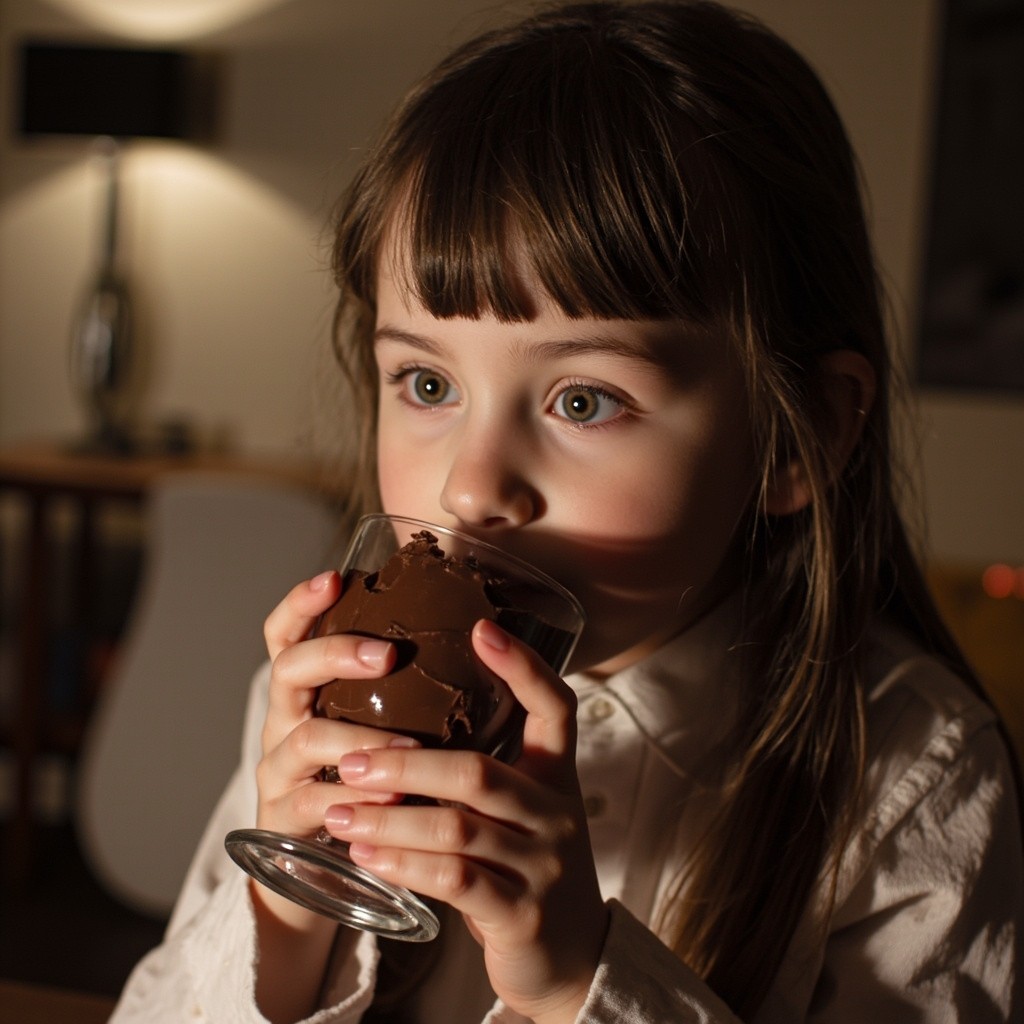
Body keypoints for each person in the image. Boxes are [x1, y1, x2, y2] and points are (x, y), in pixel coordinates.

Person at [110, 2, 1023, 1021]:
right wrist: (286, 918)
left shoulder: (912, 775)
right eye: (424, 383)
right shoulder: (324, 707)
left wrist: (576, 978)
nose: (469, 486)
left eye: (582, 400)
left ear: (795, 432)